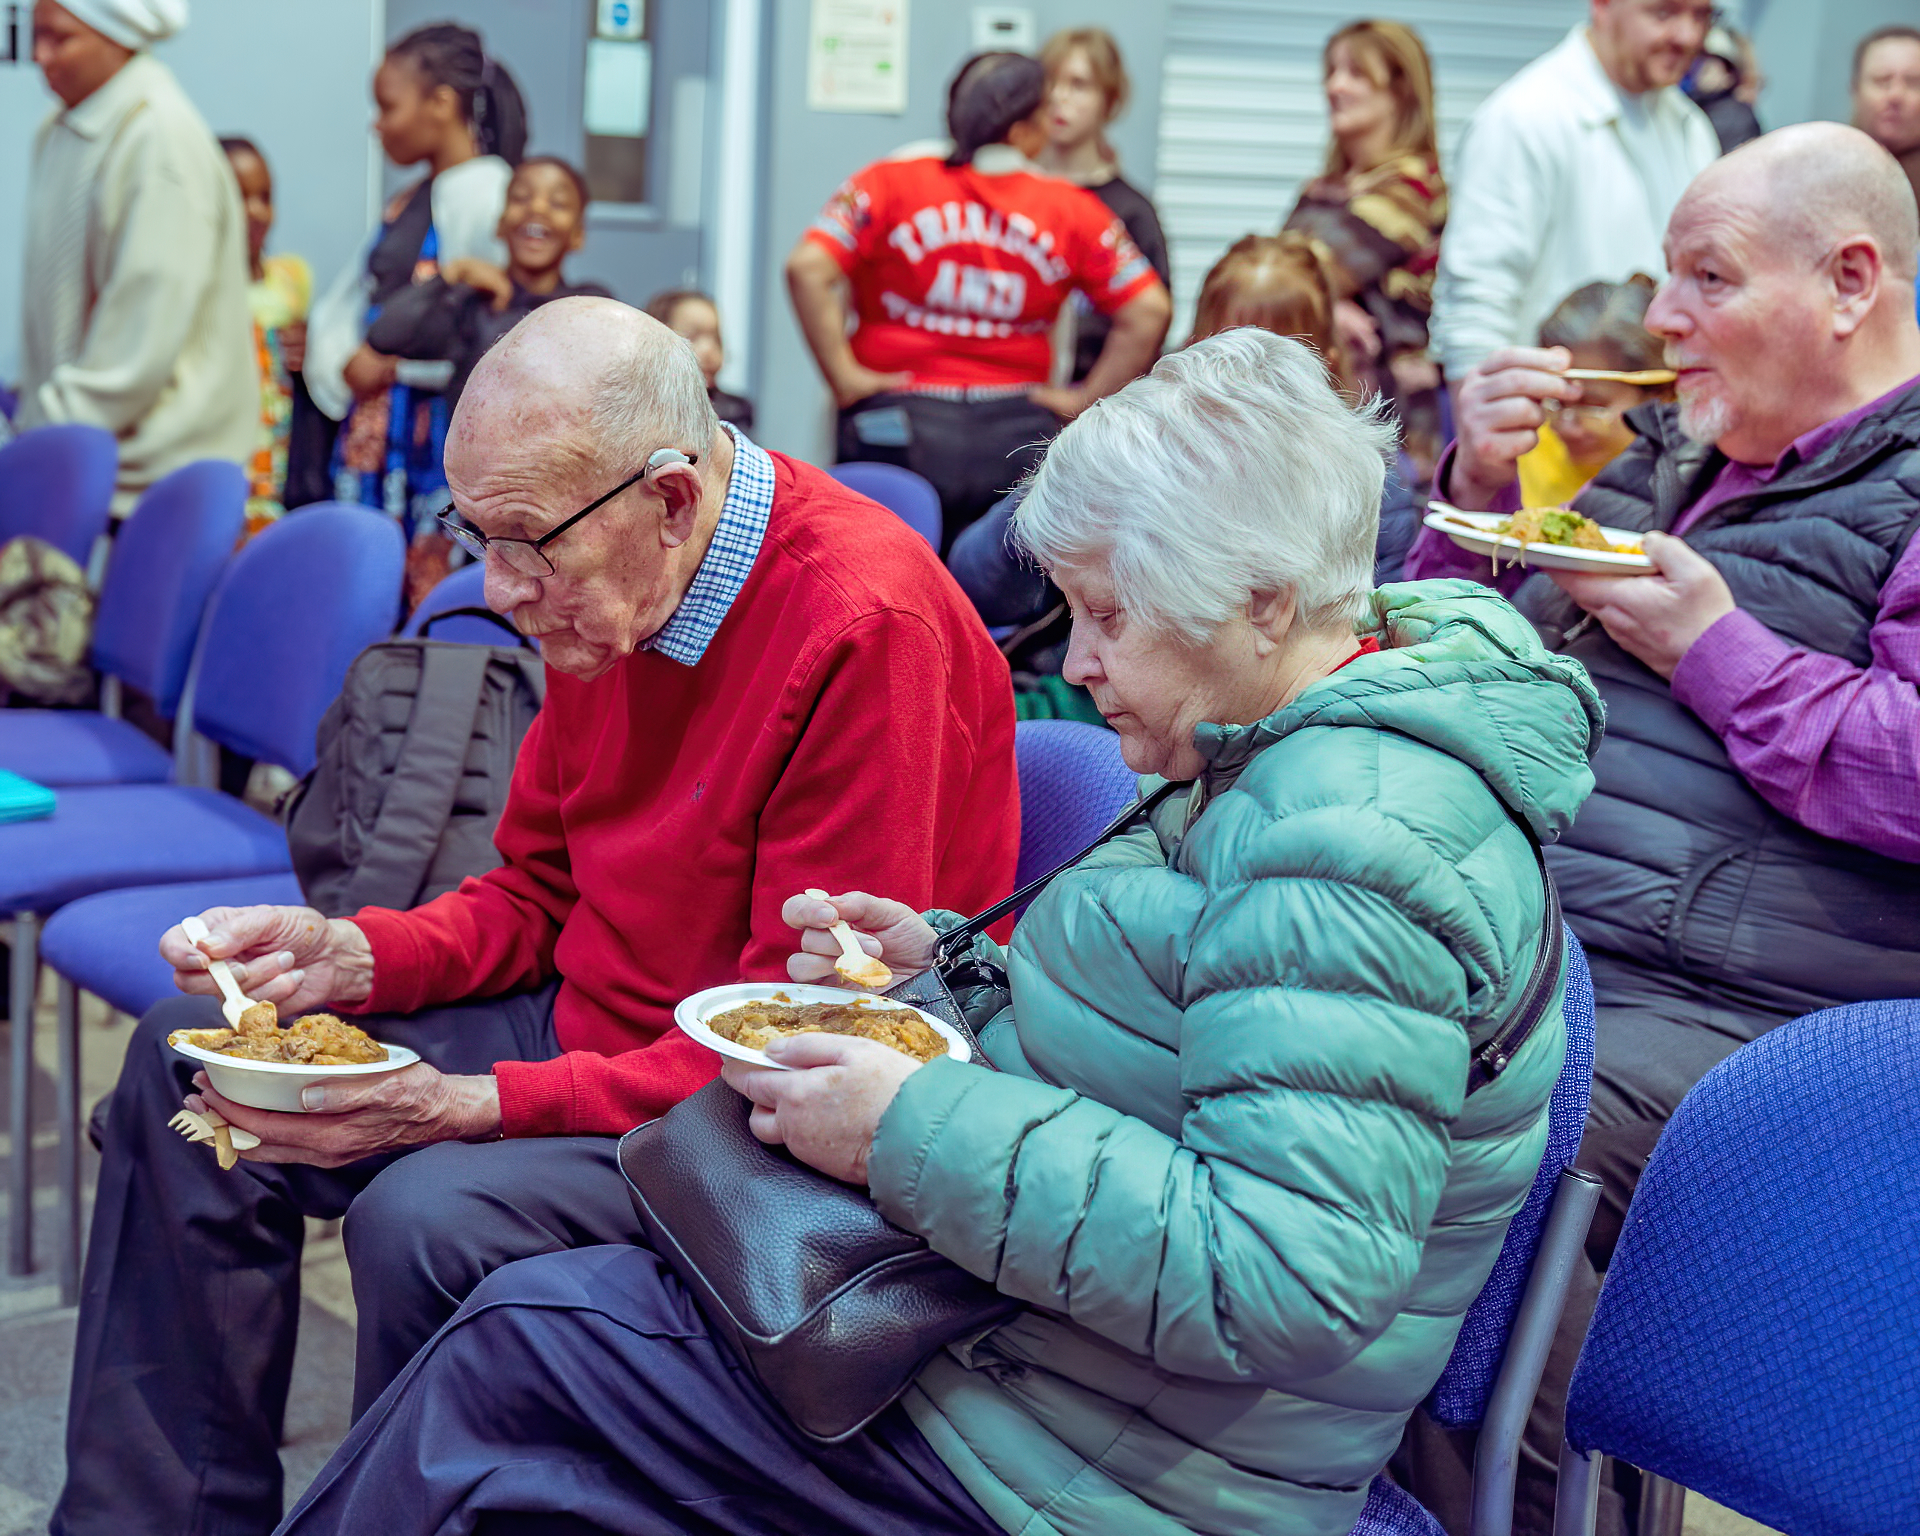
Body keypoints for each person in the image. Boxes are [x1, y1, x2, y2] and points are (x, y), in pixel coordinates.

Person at [270, 326, 1599, 1536]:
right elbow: (1175, 1042)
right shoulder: (1281, 752)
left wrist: (905, 1125)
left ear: (1262, 602)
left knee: (515, 1354)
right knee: (526, 1337)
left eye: (1111, 616)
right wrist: (948, 964)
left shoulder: (1351, 844)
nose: (1076, 665)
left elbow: (1283, 1279)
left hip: (1096, 1467)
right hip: (1042, 1368)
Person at [53, 299, 1021, 1536]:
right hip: (594, 1033)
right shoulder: (611, 589)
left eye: (524, 544)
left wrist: (467, 1106)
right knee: (184, 1060)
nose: (497, 587)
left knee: (424, 1217)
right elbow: (536, 892)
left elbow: (800, 1047)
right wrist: (354, 955)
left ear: (670, 500)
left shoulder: (863, 626)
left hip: (740, 1122)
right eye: (475, 535)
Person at [1403, 122, 1920, 1533]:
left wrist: (1715, 648)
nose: (1661, 319)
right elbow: (1429, 667)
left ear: (1850, 282)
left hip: (1737, 1001)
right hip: (1523, 936)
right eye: (1664, 279)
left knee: (1461, 1132)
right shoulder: (1662, 458)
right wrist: (1476, 501)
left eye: (1708, 277)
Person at [787, 50, 1171, 549]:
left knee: (881, 566)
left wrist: (845, 377)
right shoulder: (1074, 209)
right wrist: (1084, 401)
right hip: (1016, 437)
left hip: (894, 425)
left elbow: (806, 268)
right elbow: (1149, 310)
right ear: (1022, 130)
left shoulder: (884, 182)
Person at [303, 23, 525, 606]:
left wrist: (393, 365)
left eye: (388, 106)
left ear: (441, 103)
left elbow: (483, 334)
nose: (377, 125)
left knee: (416, 586)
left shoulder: (484, 193)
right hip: (380, 429)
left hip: (426, 431)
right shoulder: (416, 194)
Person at [17, 0, 255, 513]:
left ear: (119, 36)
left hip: (147, 483)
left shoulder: (160, 142)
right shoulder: (58, 130)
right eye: (36, 35)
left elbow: (133, 359)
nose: (40, 56)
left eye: (60, 38)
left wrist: (34, 447)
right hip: (77, 455)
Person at [1430, 0, 1719, 383]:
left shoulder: (1691, 127)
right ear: (1602, 5)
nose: (1688, 36)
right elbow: (1476, 303)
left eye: (1702, 16)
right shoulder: (1522, 119)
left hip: (1655, 406)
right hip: (1553, 409)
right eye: (1664, 12)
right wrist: (1477, 404)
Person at [1284, 19, 1448, 479]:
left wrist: (1320, 296)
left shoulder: (1412, 188)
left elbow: (1290, 276)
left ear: (1400, 91)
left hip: (1386, 425)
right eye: (1331, 71)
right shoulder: (1323, 187)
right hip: (1317, 409)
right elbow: (1271, 275)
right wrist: (1330, 305)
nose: (1334, 86)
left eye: (1356, 73)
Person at [368, 156, 610, 414]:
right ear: (499, 225)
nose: (537, 208)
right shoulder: (471, 303)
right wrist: (451, 275)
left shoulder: (591, 309)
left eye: (557, 203)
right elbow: (383, 335)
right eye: (521, 198)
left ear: (577, 235)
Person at [1035, 27, 1173, 386]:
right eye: (1050, 81)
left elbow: (1150, 326)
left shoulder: (1132, 212)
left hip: (1094, 399)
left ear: (1109, 101)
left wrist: (1081, 401)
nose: (1058, 97)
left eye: (1078, 85)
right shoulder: (1016, 191)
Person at [221, 136, 311, 532]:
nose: (256, 211)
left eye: (265, 197)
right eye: (239, 196)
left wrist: (309, 348)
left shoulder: (291, 278)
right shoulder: (199, 291)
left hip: (280, 463)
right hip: (227, 462)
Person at [1515, 276, 1666, 508]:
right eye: (1556, 401)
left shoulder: (1685, 480)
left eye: (1593, 405)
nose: (1565, 426)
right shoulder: (1524, 448)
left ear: (1660, 394)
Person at [644, 288, 754, 431]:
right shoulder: (641, 405)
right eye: (692, 337)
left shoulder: (734, 410)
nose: (709, 350)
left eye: (717, 339)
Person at [1853, 25, 1920, 216]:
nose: (1895, 95)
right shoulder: (1826, 170)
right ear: (1855, 90)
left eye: (1913, 82)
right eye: (1882, 80)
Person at [1684, 25, 1763, 154]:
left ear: (1729, 75)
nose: (1700, 68)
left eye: (1709, 64)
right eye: (1700, 60)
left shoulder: (1734, 117)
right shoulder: (1690, 107)